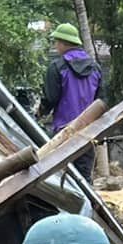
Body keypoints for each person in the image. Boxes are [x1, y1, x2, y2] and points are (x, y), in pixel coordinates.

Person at [39, 24, 104, 182]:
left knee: (60, 179)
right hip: (88, 134)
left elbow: (51, 99)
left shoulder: (57, 67)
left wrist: (40, 112)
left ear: (62, 43)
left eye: (56, 42)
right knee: (84, 180)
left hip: (63, 134)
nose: (56, 46)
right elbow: (101, 101)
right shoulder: (96, 68)